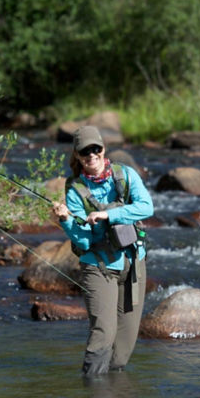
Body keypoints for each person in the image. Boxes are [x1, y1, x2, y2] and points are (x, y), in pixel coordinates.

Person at [51, 125, 154, 376]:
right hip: (98, 266)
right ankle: (91, 393)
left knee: (124, 347)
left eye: (96, 149)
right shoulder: (75, 189)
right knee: (103, 333)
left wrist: (108, 214)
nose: (92, 155)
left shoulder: (125, 175)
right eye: (85, 151)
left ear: (103, 149)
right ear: (77, 155)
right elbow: (83, 242)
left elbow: (146, 207)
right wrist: (66, 220)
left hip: (133, 265)